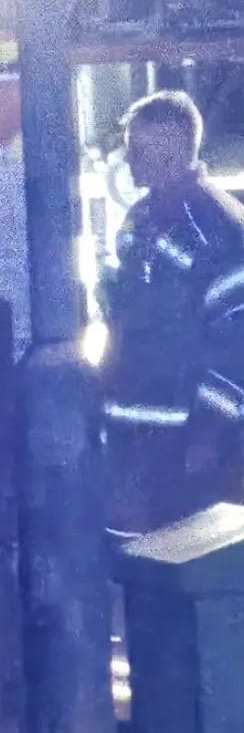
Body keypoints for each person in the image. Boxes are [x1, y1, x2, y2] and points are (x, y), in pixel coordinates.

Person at [101, 90, 244, 537]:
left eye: (138, 148)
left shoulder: (216, 229)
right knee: (137, 566)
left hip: (186, 443)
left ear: (174, 149)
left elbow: (235, 343)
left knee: (183, 572)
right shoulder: (145, 218)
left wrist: (208, 436)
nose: (129, 159)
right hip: (136, 435)